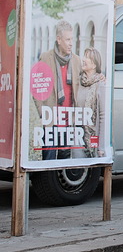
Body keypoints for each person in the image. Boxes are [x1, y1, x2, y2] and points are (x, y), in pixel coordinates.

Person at [34, 19, 81, 160]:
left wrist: (100, 78)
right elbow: (37, 87)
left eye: (72, 39)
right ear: (59, 39)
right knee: (47, 159)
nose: (71, 43)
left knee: (64, 160)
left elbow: (86, 82)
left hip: (69, 120)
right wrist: (42, 111)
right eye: (68, 39)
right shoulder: (46, 58)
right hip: (51, 119)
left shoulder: (77, 61)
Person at [72, 47, 106, 158]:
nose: (83, 59)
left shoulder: (100, 84)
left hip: (93, 137)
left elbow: (102, 116)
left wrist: (101, 147)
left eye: (87, 57)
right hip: (77, 135)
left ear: (94, 64)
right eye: (84, 56)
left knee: (93, 171)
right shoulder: (78, 81)